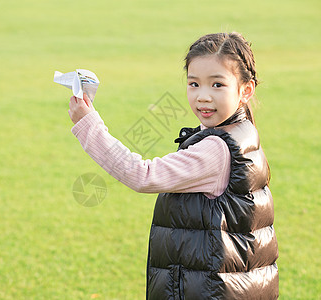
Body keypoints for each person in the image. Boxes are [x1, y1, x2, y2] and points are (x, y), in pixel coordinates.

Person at [68, 32, 278, 299]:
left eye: (217, 85)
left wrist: (88, 124)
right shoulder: (241, 131)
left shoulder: (216, 149)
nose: (203, 96)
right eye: (194, 84)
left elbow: (143, 175)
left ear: (245, 90)